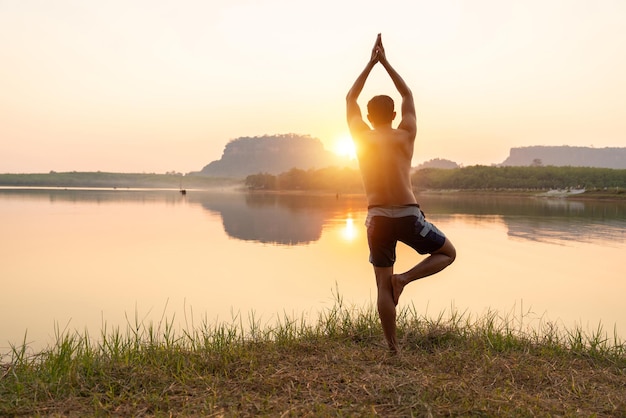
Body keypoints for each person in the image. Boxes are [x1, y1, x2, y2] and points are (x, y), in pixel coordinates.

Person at [346, 34, 456, 353]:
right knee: (447, 253)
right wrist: (386, 63)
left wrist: (370, 63)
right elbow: (406, 93)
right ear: (394, 116)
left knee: (381, 283)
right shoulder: (406, 135)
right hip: (408, 214)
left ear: (368, 117)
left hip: (377, 216)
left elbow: (350, 99)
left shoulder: (361, 137)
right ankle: (405, 279)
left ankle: (393, 349)